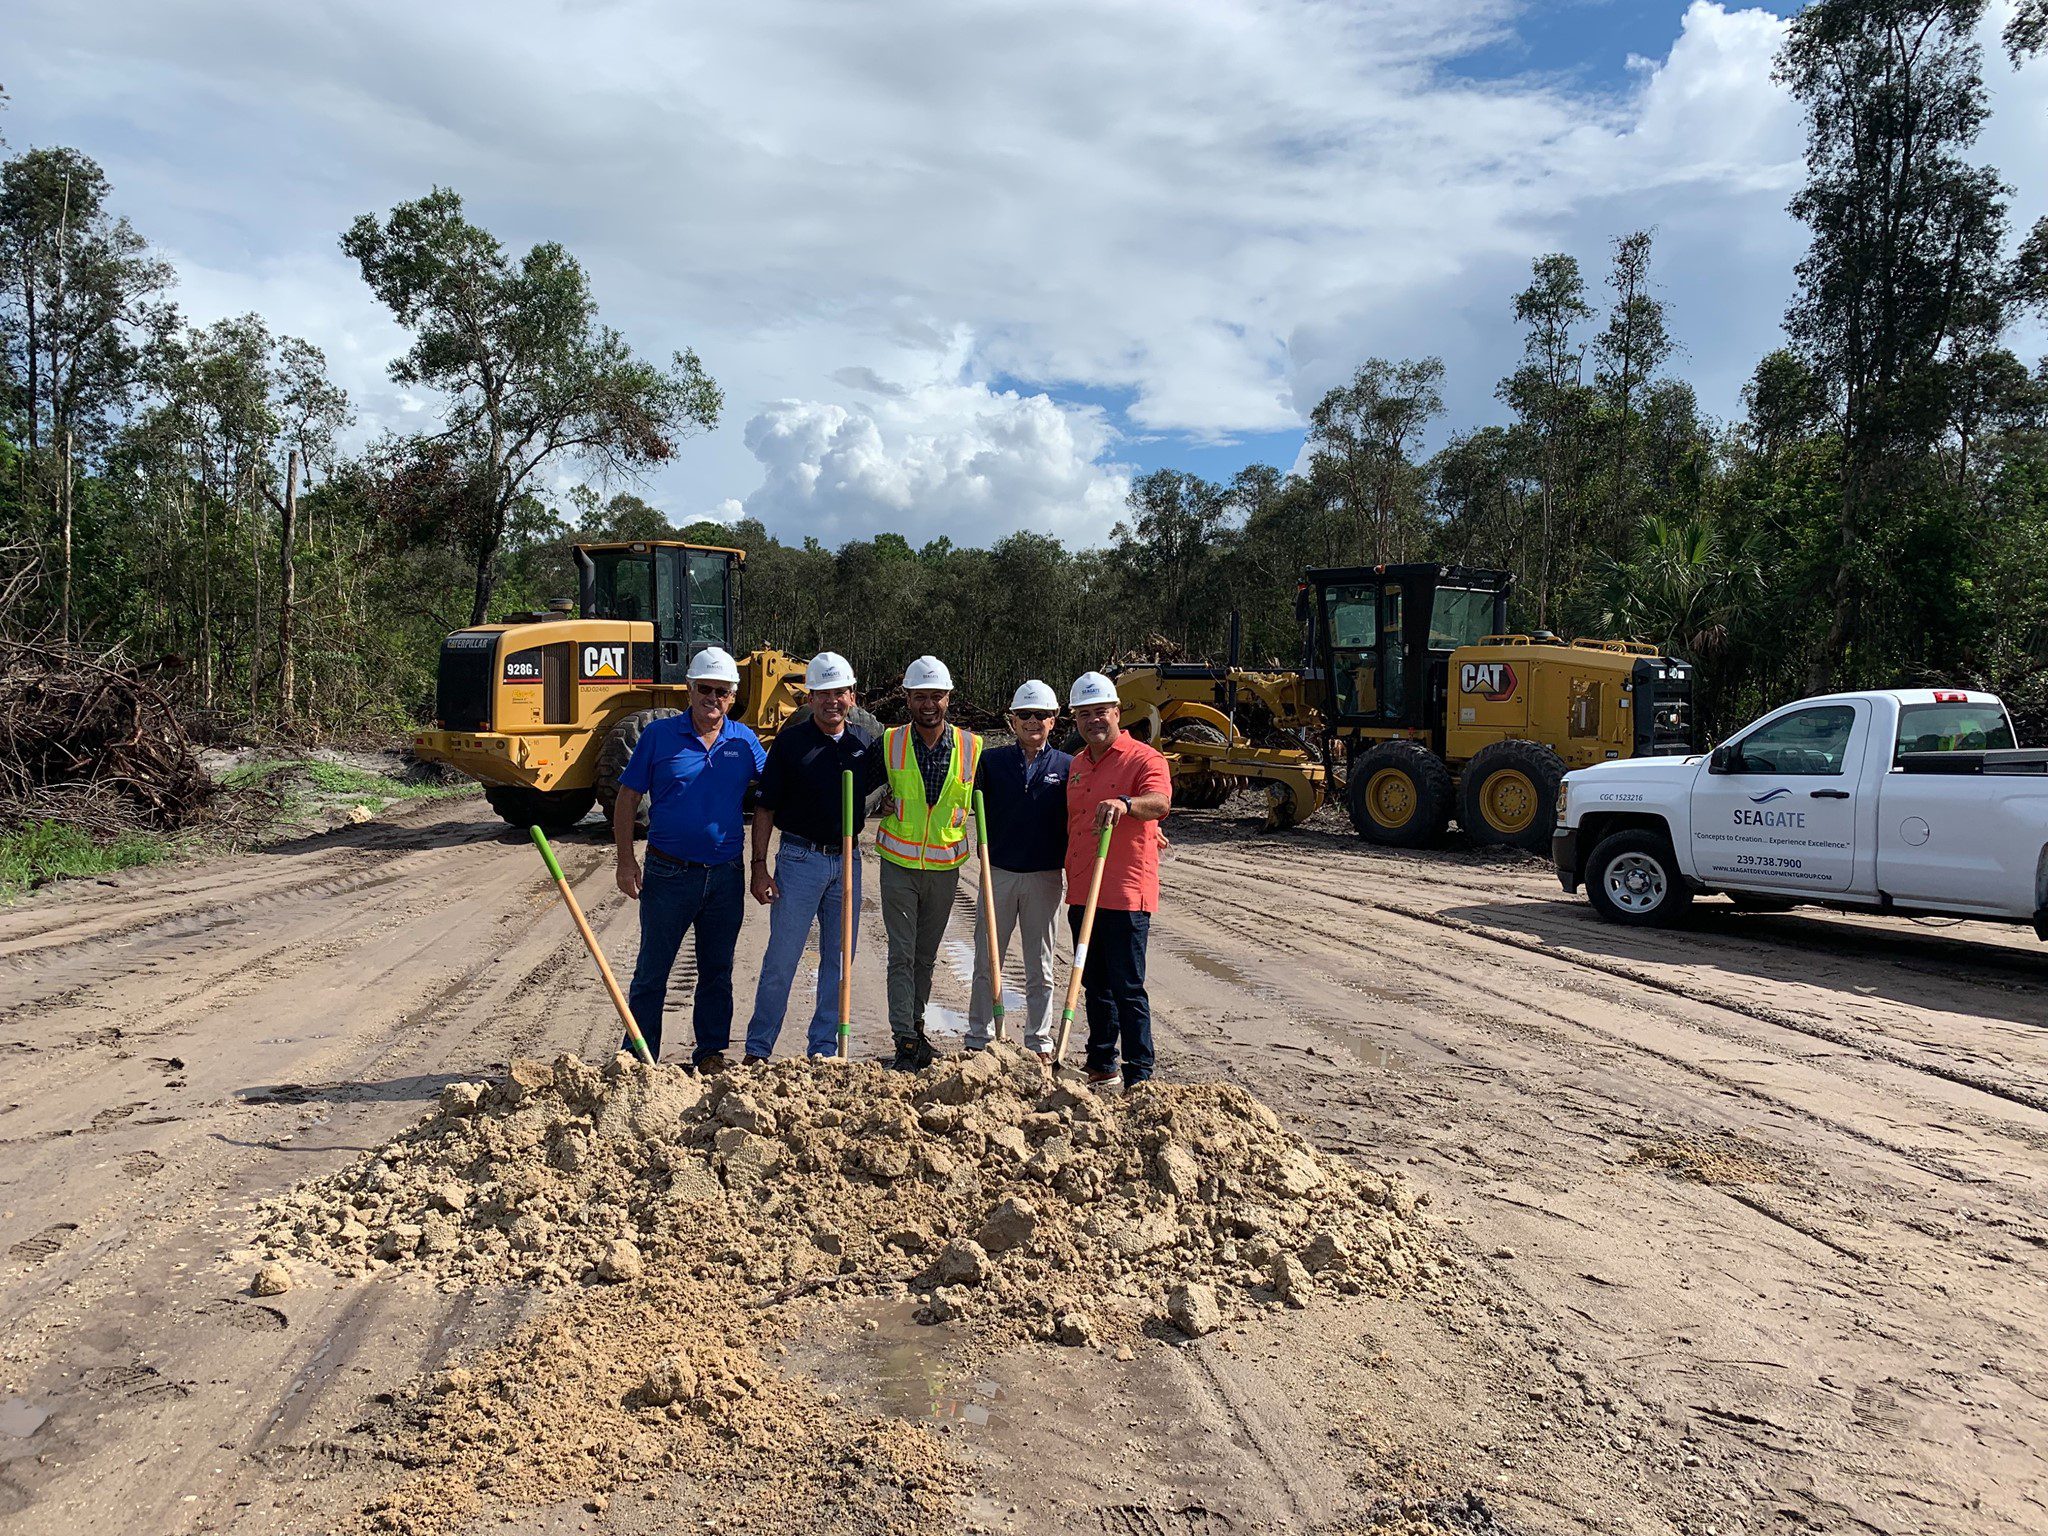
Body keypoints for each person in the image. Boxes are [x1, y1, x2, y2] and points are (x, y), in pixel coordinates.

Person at [612, 646, 765, 1071]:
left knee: (717, 970)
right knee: (652, 971)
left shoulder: (743, 740)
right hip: (668, 873)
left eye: (721, 691)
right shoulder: (659, 737)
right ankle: (640, 1057)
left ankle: (711, 1053)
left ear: (732, 696)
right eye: (704, 689)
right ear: (689, 689)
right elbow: (627, 798)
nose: (712, 698)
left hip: (725, 876)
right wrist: (626, 860)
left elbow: (776, 788)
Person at [742, 651, 888, 1061]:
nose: (832, 701)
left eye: (839, 692)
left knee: (840, 961)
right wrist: (759, 867)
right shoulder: (790, 743)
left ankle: (824, 1049)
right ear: (809, 699)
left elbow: (887, 785)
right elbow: (765, 808)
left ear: (852, 697)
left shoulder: (865, 744)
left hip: (847, 860)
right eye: (823, 693)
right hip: (799, 859)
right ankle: (758, 1049)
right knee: (781, 959)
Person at [1062, 671, 1172, 1087]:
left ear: (1117, 712)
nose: (1094, 720)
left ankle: (1139, 1074)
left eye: (1101, 712)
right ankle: (1101, 1063)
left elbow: (1159, 801)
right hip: (1083, 889)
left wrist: (1127, 804)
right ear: (1075, 719)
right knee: (1094, 984)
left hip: (1125, 892)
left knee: (1127, 986)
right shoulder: (1076, 764)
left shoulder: (1144, 758)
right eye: (1084, 714)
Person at [876, 654, 982, 1070]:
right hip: (898, 865)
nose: (928, 704)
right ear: (907, 698)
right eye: (920, 696)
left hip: (944, 868)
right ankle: (904, 1039)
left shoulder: (973, 747)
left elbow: (989, 801)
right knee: (901, 954)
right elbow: (857, 790)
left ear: (948, 698)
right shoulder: (889, 742)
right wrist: (876, 803)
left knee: (925, 956)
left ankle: (916, 1029)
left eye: (936, 696)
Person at [966, 679, 1071, 1059]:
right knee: (986, 959)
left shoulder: (1067, 766)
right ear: (1012, 720)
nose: (1032, 721)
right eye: (1025, 715)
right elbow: (964, 805)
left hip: (1044, 877)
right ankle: (979, 1036)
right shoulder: (991, 763)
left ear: (1053, 720)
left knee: (1040, 965)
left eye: (1040, 715)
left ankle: (1039, 1041)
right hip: (998, 875)